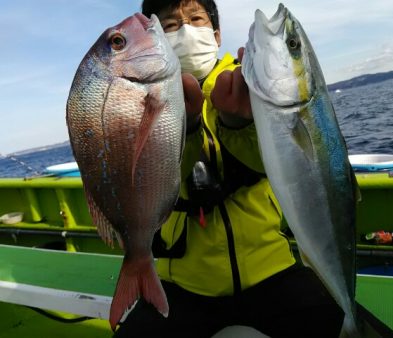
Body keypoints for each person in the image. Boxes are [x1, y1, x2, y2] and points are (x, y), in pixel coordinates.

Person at [113, 0, 344, 337]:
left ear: (217, 34)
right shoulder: (142, 101)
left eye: (195, 19)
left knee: (334, 321)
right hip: (184, 282)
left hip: (272, 267)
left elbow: (276, 162)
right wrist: (188, 126)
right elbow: (159, 181)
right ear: (156, 39)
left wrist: (237, 123)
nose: (187, 30)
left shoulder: (253, 80)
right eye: (172, 25)